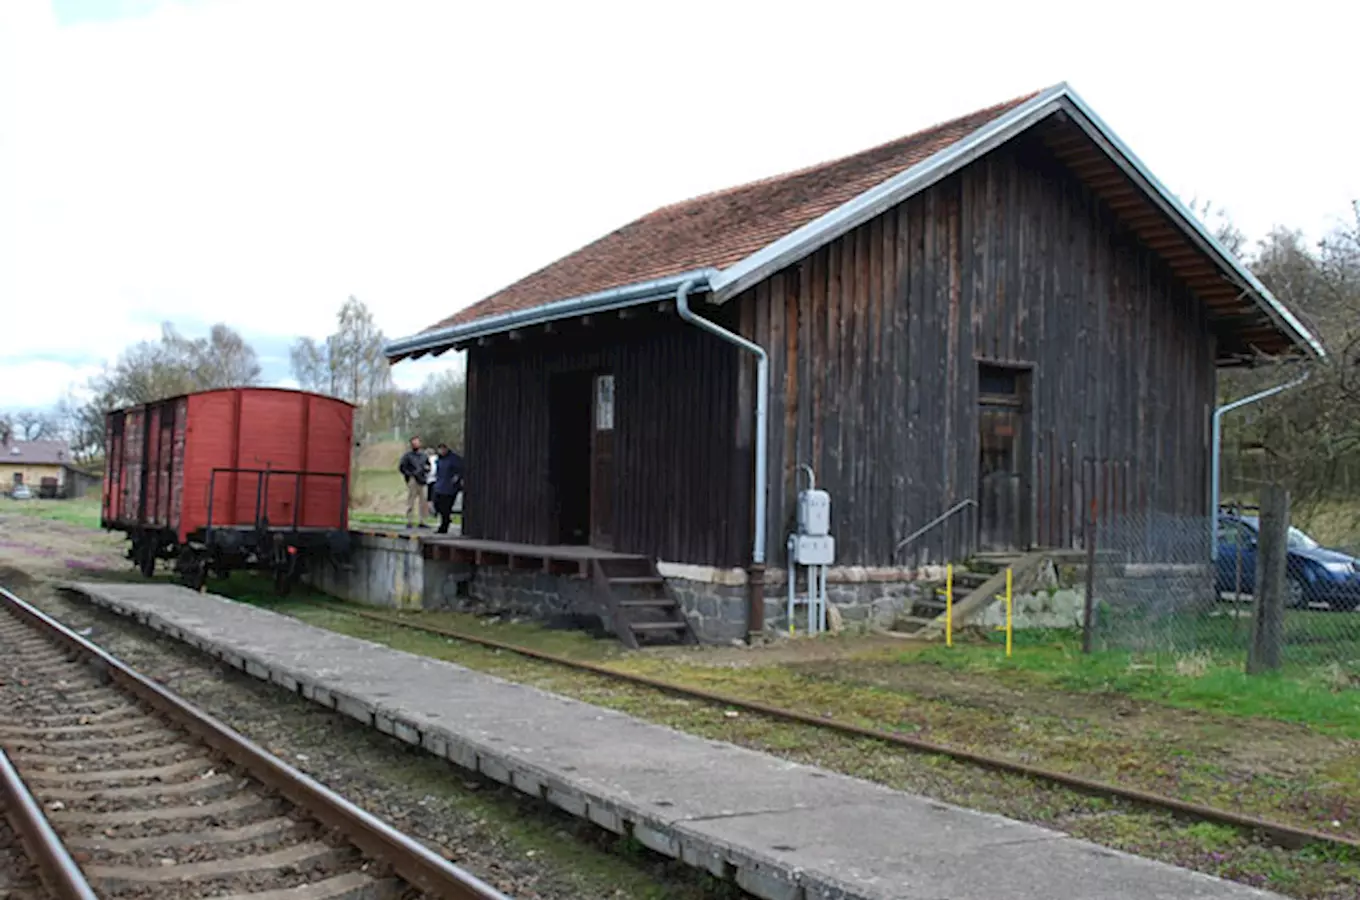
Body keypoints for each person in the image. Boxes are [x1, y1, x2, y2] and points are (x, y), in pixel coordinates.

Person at [432, 443, 464, 535]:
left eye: (442, 449)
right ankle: (445, 521)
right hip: (439, 486)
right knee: (437, 505)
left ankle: (443, 527)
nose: (441, 451)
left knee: (446, 508)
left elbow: (461, 469)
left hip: (450, 488)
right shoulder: (439, 459)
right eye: (439, 450)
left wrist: (456, 478)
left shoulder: (454, 459)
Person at [397, 436, 428, 529]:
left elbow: (428, 465)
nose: (416, 444)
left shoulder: (424, 455)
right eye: (414, 443)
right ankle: (409, 520)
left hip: (422, 479)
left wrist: (427, 469)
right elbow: (402, 467)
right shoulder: (407, 456)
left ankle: (422, 521)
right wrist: (410, 474)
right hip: (413, 479)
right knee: (411, 501)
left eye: (417, 443)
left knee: (423, 502)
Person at [424, 448, 438, 519]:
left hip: (431, 480)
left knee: (430, 498)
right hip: (438, 480)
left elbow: (431, 470)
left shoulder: (430, 459)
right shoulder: (438, 458)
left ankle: (432, 512)